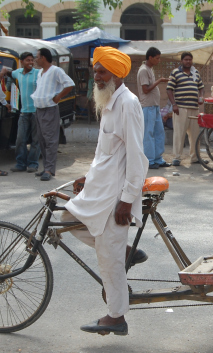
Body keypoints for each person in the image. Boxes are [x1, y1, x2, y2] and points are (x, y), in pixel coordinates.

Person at [60, 46, 149, 336]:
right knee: (66, 221)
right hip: (99, 191)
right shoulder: (109, 101)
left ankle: (116, 317)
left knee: (108, 260)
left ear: (117, 74)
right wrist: (87, 176)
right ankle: (124, 250)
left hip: (115, 198)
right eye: (95, 71)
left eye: (102, 71)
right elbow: (104, 152)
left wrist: (126, 201)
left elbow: (138, 158)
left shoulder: (128, 103)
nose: (96, 77)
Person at [30, 48, 75, 181]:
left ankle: (49, 170)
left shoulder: (56, 70)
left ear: (43, 58)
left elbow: (70, 84)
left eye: (37, 57)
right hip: (39, 109)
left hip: (49, 109)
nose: (36, 60)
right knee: (42, 139)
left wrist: (58, 97)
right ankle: (46, 168)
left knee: (50, 140)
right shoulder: (40, 73)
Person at [0, 52, 41, 173]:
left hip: (36, 112)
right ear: (21, 62)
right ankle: (21, 163)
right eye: (28, 60)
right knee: (20, 139)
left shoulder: (38, 73)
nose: (30, 63)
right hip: (24, 112)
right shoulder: (18, 73)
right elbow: (8, 72)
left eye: (32, 60)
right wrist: (3, 70)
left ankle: (33, 164)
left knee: (36, 140)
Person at [166, 52, 204, 166]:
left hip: (194, 108)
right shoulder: (175, 72)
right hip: (180, 108)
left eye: (190, 59)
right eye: (186, 59)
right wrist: (174, 104)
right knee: (179, 134)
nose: (188, 61)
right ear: (182, 61)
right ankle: (177, 157)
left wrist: (201, 96)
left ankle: (195, 157)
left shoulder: (195, 73)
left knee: (195, 135)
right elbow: (169, 89)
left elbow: (201, 87)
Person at [137, 47, 171, 170]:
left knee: (159, 132)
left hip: (154, 106)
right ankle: (149, 161)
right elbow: (145, 90)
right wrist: (160, 81)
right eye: (157, 58)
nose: (159, 60)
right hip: (147, 106)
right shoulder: (143, 71)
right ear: (150, 57)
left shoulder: (149, 69)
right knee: (148, 134)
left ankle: (158, 159)